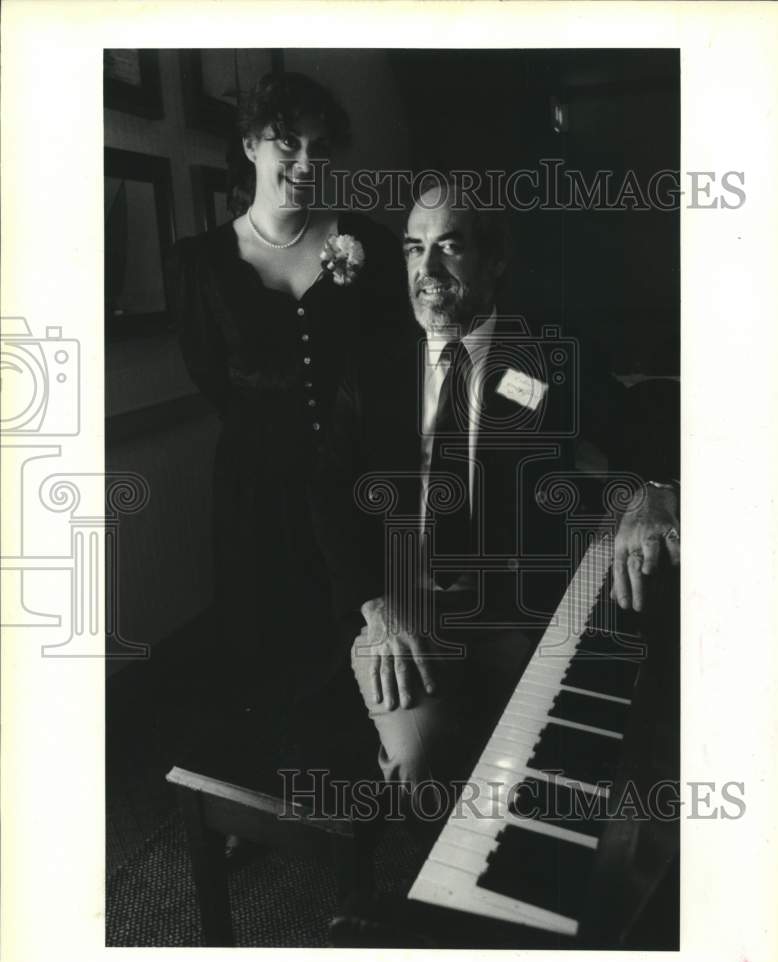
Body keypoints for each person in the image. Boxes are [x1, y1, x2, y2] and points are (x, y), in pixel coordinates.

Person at [312, 181, 680, 797]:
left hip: (522, 611)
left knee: (577, 750)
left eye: (449, 247)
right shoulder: (371, 368)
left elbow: (645, 423)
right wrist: (378, 605)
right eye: (412, 249)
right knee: (419, 763)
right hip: (409, 605)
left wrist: (653, 489)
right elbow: (327, 491)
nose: (426, 269)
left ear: (495, 261)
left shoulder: (547, 356)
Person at [171, 72, 410, 745]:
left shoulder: (369, 245)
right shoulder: (200, 264)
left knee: (364, 638)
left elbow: (395, 364)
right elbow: (211, 376)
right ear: (249, 144)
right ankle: (281, 799)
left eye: (319, 147)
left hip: (356, 482)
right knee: (268, 643)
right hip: (255, 489)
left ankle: (372, 782)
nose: (305, 164)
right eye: (287, 144)